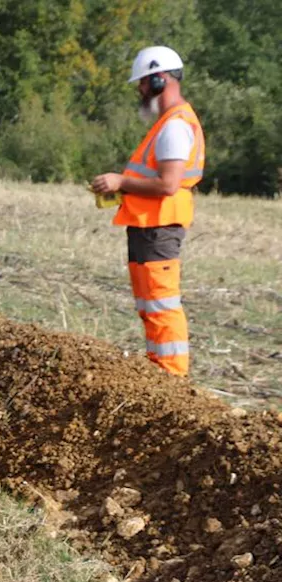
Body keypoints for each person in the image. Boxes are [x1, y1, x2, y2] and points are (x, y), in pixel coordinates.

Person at [90, 46, 204, 377]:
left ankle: (171, 376)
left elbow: (168, 185)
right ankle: (160, 373)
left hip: (159, 227)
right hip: (149, 226)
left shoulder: (174, 126)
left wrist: (120, 181)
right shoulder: (168, 122)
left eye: (142, 83)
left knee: (161, 305)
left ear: (159, 79)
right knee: (151, 306)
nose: (139, 90)